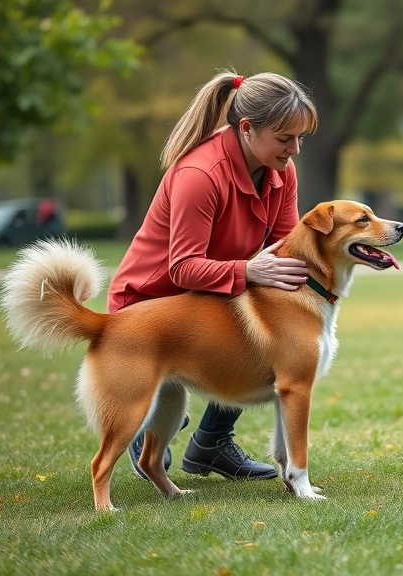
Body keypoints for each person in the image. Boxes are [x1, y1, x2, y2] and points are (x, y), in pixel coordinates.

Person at [107, 71, 318, 481]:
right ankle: (146, 418)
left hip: (211, 296)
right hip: (149, 306)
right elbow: (182, 267)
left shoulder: (281, 171)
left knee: (263, 333)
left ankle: (210, 444)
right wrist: (249, 270)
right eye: (284, 138)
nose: (294, 149)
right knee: (239, 337)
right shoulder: (199, 175)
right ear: (246, 128)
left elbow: (287, 247)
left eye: (300, 138)